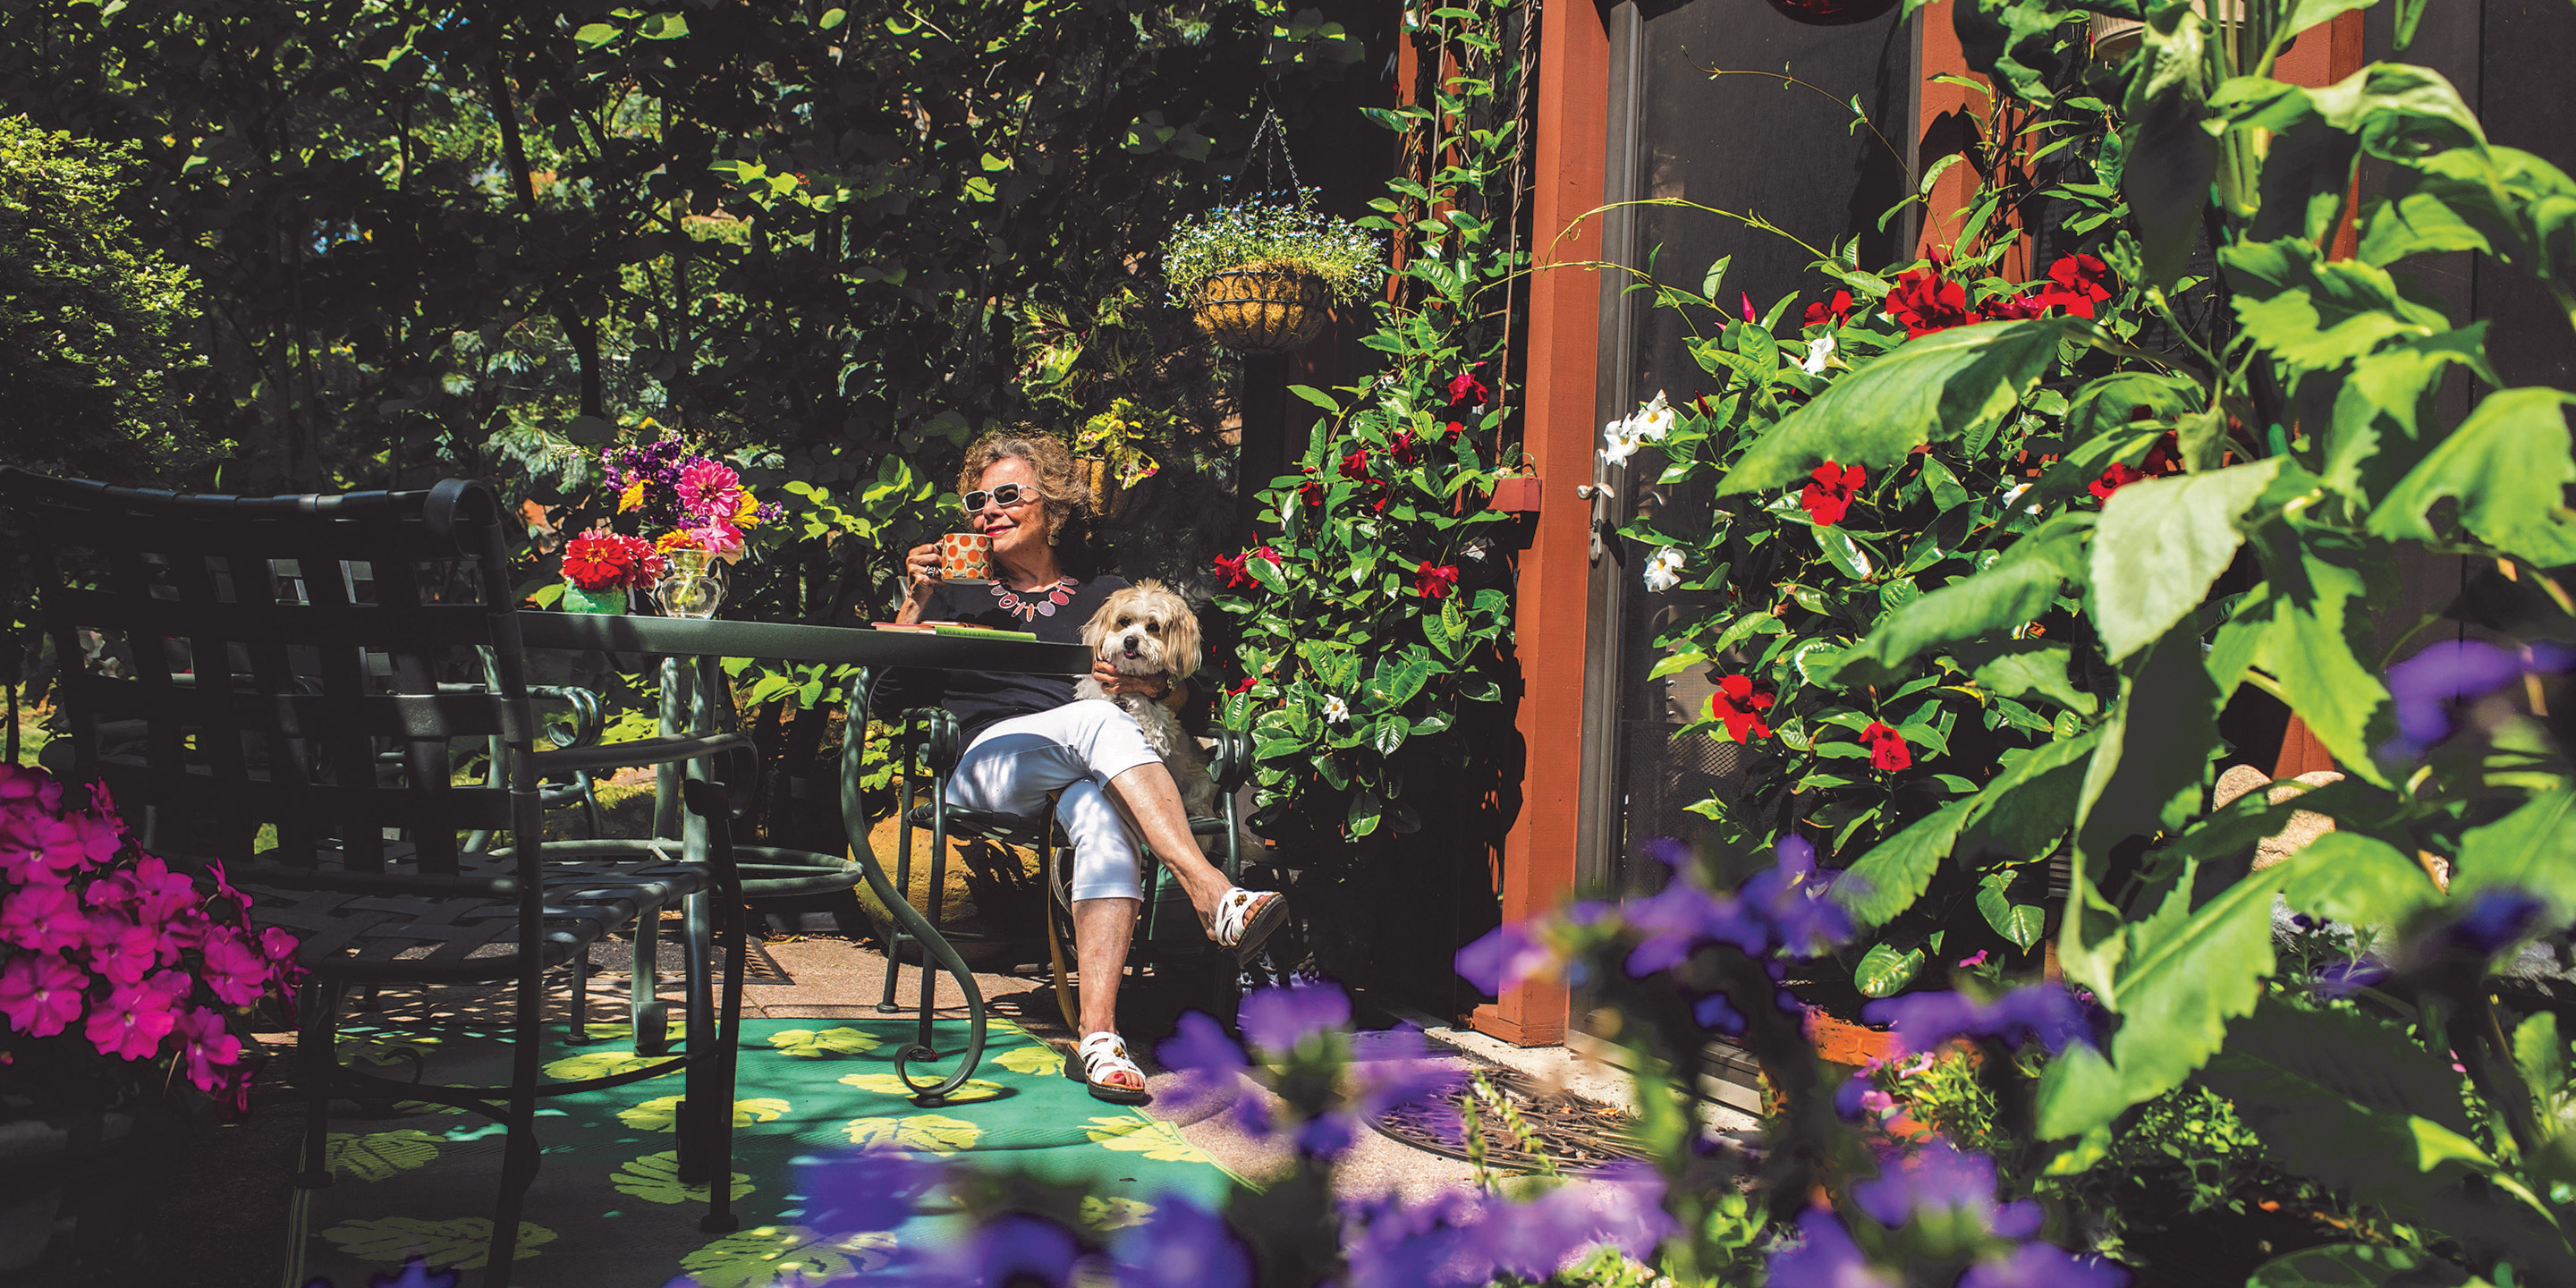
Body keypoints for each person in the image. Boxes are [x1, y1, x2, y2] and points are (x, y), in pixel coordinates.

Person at [881, 430, 1285, 1103]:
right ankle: (1214, 894)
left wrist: (1154, 689)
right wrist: (916, 598)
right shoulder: (952, 594)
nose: (989, 510)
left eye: (1008, 494)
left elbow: (1192, 691)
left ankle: (1098, 1039)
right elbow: (888, 694)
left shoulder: (1107, 595)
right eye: (977, 501)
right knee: (1101, 716)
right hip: (990, 763)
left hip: (1086, 773)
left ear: (1055, 505)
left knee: (1103, 824)